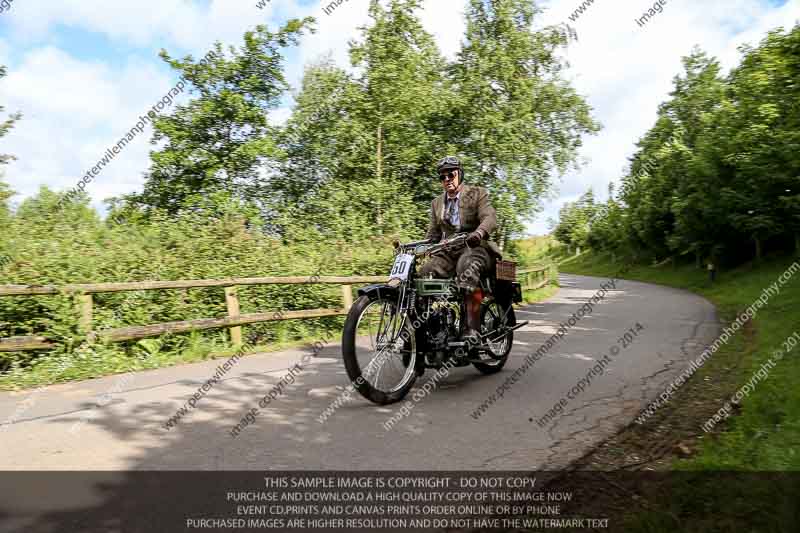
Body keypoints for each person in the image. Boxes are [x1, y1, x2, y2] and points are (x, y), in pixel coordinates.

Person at [419, 156, 502, 344]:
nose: (447, 179)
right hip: (449, 251)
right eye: (443, 177)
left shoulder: (477, 193)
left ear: (460, 174)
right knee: (424, 273)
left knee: (467, 266)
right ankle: (424, 332)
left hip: (476, 247)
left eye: (451, 174)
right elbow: (432, 236)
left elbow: (490, 217)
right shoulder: (436, 203)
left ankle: (470, 328)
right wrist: (418, 248)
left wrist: (479, 233)